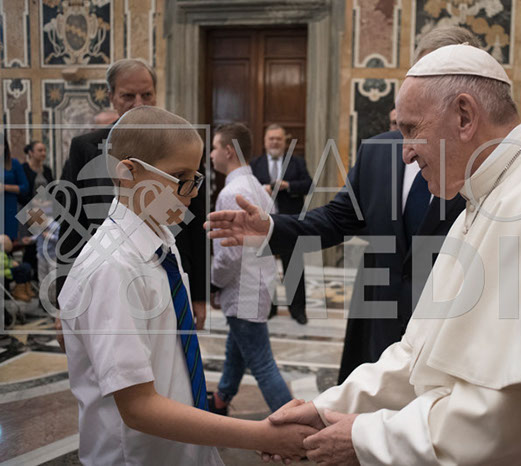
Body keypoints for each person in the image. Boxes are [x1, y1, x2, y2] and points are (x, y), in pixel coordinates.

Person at [216, 45, 521, 465]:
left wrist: (364, 437)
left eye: (411, 129)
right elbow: (420, 353)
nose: (404, 153)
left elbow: (519, 411)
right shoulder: (487, 195)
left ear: (465, 116)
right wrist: (329, 408)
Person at [207, 26, 477, 383]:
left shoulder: (487, 163)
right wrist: (270, 227)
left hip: (451, 344)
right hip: (380, 332)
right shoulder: (379, 152)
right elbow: (336, 219)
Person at [58, 107, 314, 465]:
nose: (193, 192)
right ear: (128, 173)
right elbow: (138, 408)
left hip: (181, 446)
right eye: (180, 177)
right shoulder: (112, 269)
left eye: (196, 177)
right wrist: (261, 435)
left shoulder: (162, 239)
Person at [55, 58, 208, 344]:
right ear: (111, 96)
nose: (139, 103)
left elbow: (196, 222)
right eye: (128, 95)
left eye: (146, 94)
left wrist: (200, 293)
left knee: (169, 354)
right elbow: (72, 227)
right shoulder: (85, 148)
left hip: (169, 271)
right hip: (110, 272)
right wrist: (64, 301)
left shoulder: (181, 144)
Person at [208, 123, 293, 415]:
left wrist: (214, 284)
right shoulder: (258, 188)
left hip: (243, 288)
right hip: (259, 283)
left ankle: (296, 424)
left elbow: (229, 255)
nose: (211, 155)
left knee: (262, 363)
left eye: (215, 148)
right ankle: (221, 400)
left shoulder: (231, 193)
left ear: (228, 151)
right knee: (237, 347)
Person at [250, 124, 312, 325]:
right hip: (264, 223)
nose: (275, 142)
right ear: (265, 141)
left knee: (294, 266)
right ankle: (270, 307)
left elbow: (309, 185)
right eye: (271, 139)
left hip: (290, 222)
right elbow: (248, 189)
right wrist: (262, 190)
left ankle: (298, 310)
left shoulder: (296, 162)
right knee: (265, 267)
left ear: (285, 142)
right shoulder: (255, 164)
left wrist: (288, 185)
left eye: (278, 139)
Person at [20, 141, 55, 279]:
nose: (43, 153)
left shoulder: (47, 170)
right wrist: (33, 202)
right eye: (40, 150)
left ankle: (44, 275)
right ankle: (30, 276)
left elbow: (52, 189)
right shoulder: (24, 169)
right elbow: (23, 191)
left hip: (47, 210)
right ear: (31, 153)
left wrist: (49, 201)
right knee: (34, 243)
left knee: (48, 241)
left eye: (44, 150)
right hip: (30, 210)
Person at [3, 137, 29, 241]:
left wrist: (5, 187)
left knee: (9, 242)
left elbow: (25, 187)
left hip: (9, 209)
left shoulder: (14, 163)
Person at [2, 234, 33, 302]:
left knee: (26, 266)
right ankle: (19, 291)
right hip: (4, 273)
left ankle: (26, 288)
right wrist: (11, 264)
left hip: (7, 270)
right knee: (24, 268)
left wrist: (12, 262)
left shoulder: (4, 252)